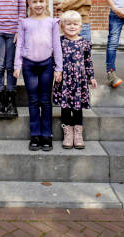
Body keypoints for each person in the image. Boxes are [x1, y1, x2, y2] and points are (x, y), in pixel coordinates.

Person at [13, 0, 63, 152]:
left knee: (45, 101)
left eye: (41, 1)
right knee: (33, 101)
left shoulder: (52, 22)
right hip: (29, 65)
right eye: (35, 2)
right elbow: (19, 44)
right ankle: (35, 134)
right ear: (29, 3)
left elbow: (57, 46)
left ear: (46, 2)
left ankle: (47, 135)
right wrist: (17, 65)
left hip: (47, 65)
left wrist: (59, 68)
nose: (38, 5)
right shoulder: (24, 23)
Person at [52, 10, 97, 149]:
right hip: (64, 80)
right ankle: (68, 133)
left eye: (75, 24)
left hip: (79, 81)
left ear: (80, 26)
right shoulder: (60, 41)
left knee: (78, 108)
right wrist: (56, 71)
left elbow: (88, 61)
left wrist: (92, 77)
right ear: (62, 27)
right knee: (65, 107)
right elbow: (54, 58)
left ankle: (78, 134)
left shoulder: (84, 42)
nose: (72, 27)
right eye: (68, 24)